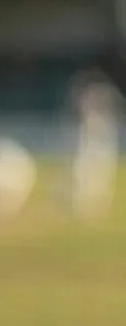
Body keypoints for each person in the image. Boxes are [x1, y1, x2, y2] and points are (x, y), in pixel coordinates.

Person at [70, 69, 122, 220]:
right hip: (89, 139)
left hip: (101, 140)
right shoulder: (88, 99)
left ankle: (97, 203)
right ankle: (84, 201)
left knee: (101, 173)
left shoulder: (107, 98)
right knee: (83, 170)